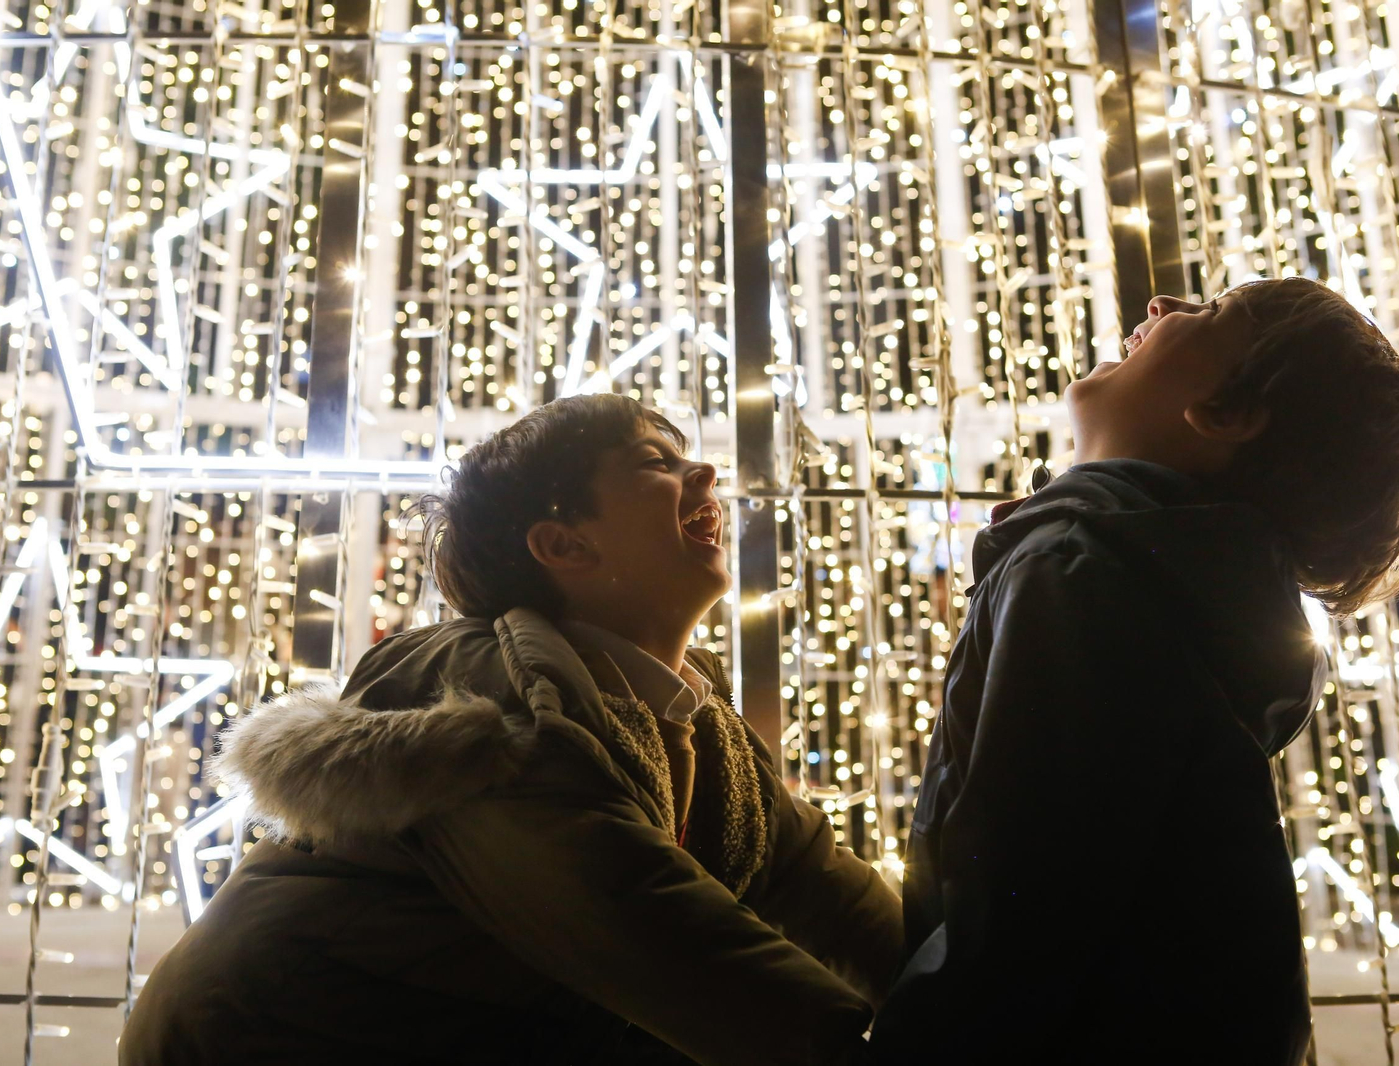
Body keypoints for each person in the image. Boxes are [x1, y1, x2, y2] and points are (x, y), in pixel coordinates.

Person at [120, 394, 902, 1065]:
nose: (703, 475)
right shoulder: (492, 703)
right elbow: (647, 929)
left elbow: (825, 890)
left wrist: (950, 979)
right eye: (654, 462)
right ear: (563, 544)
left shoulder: (696, 720)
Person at [869, 278, 1399, 1064]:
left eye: (1210, 313)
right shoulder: (1183, 589)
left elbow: (1023, 908)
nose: (1163, 306)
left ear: (1226, 414)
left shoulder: (1080, 570)